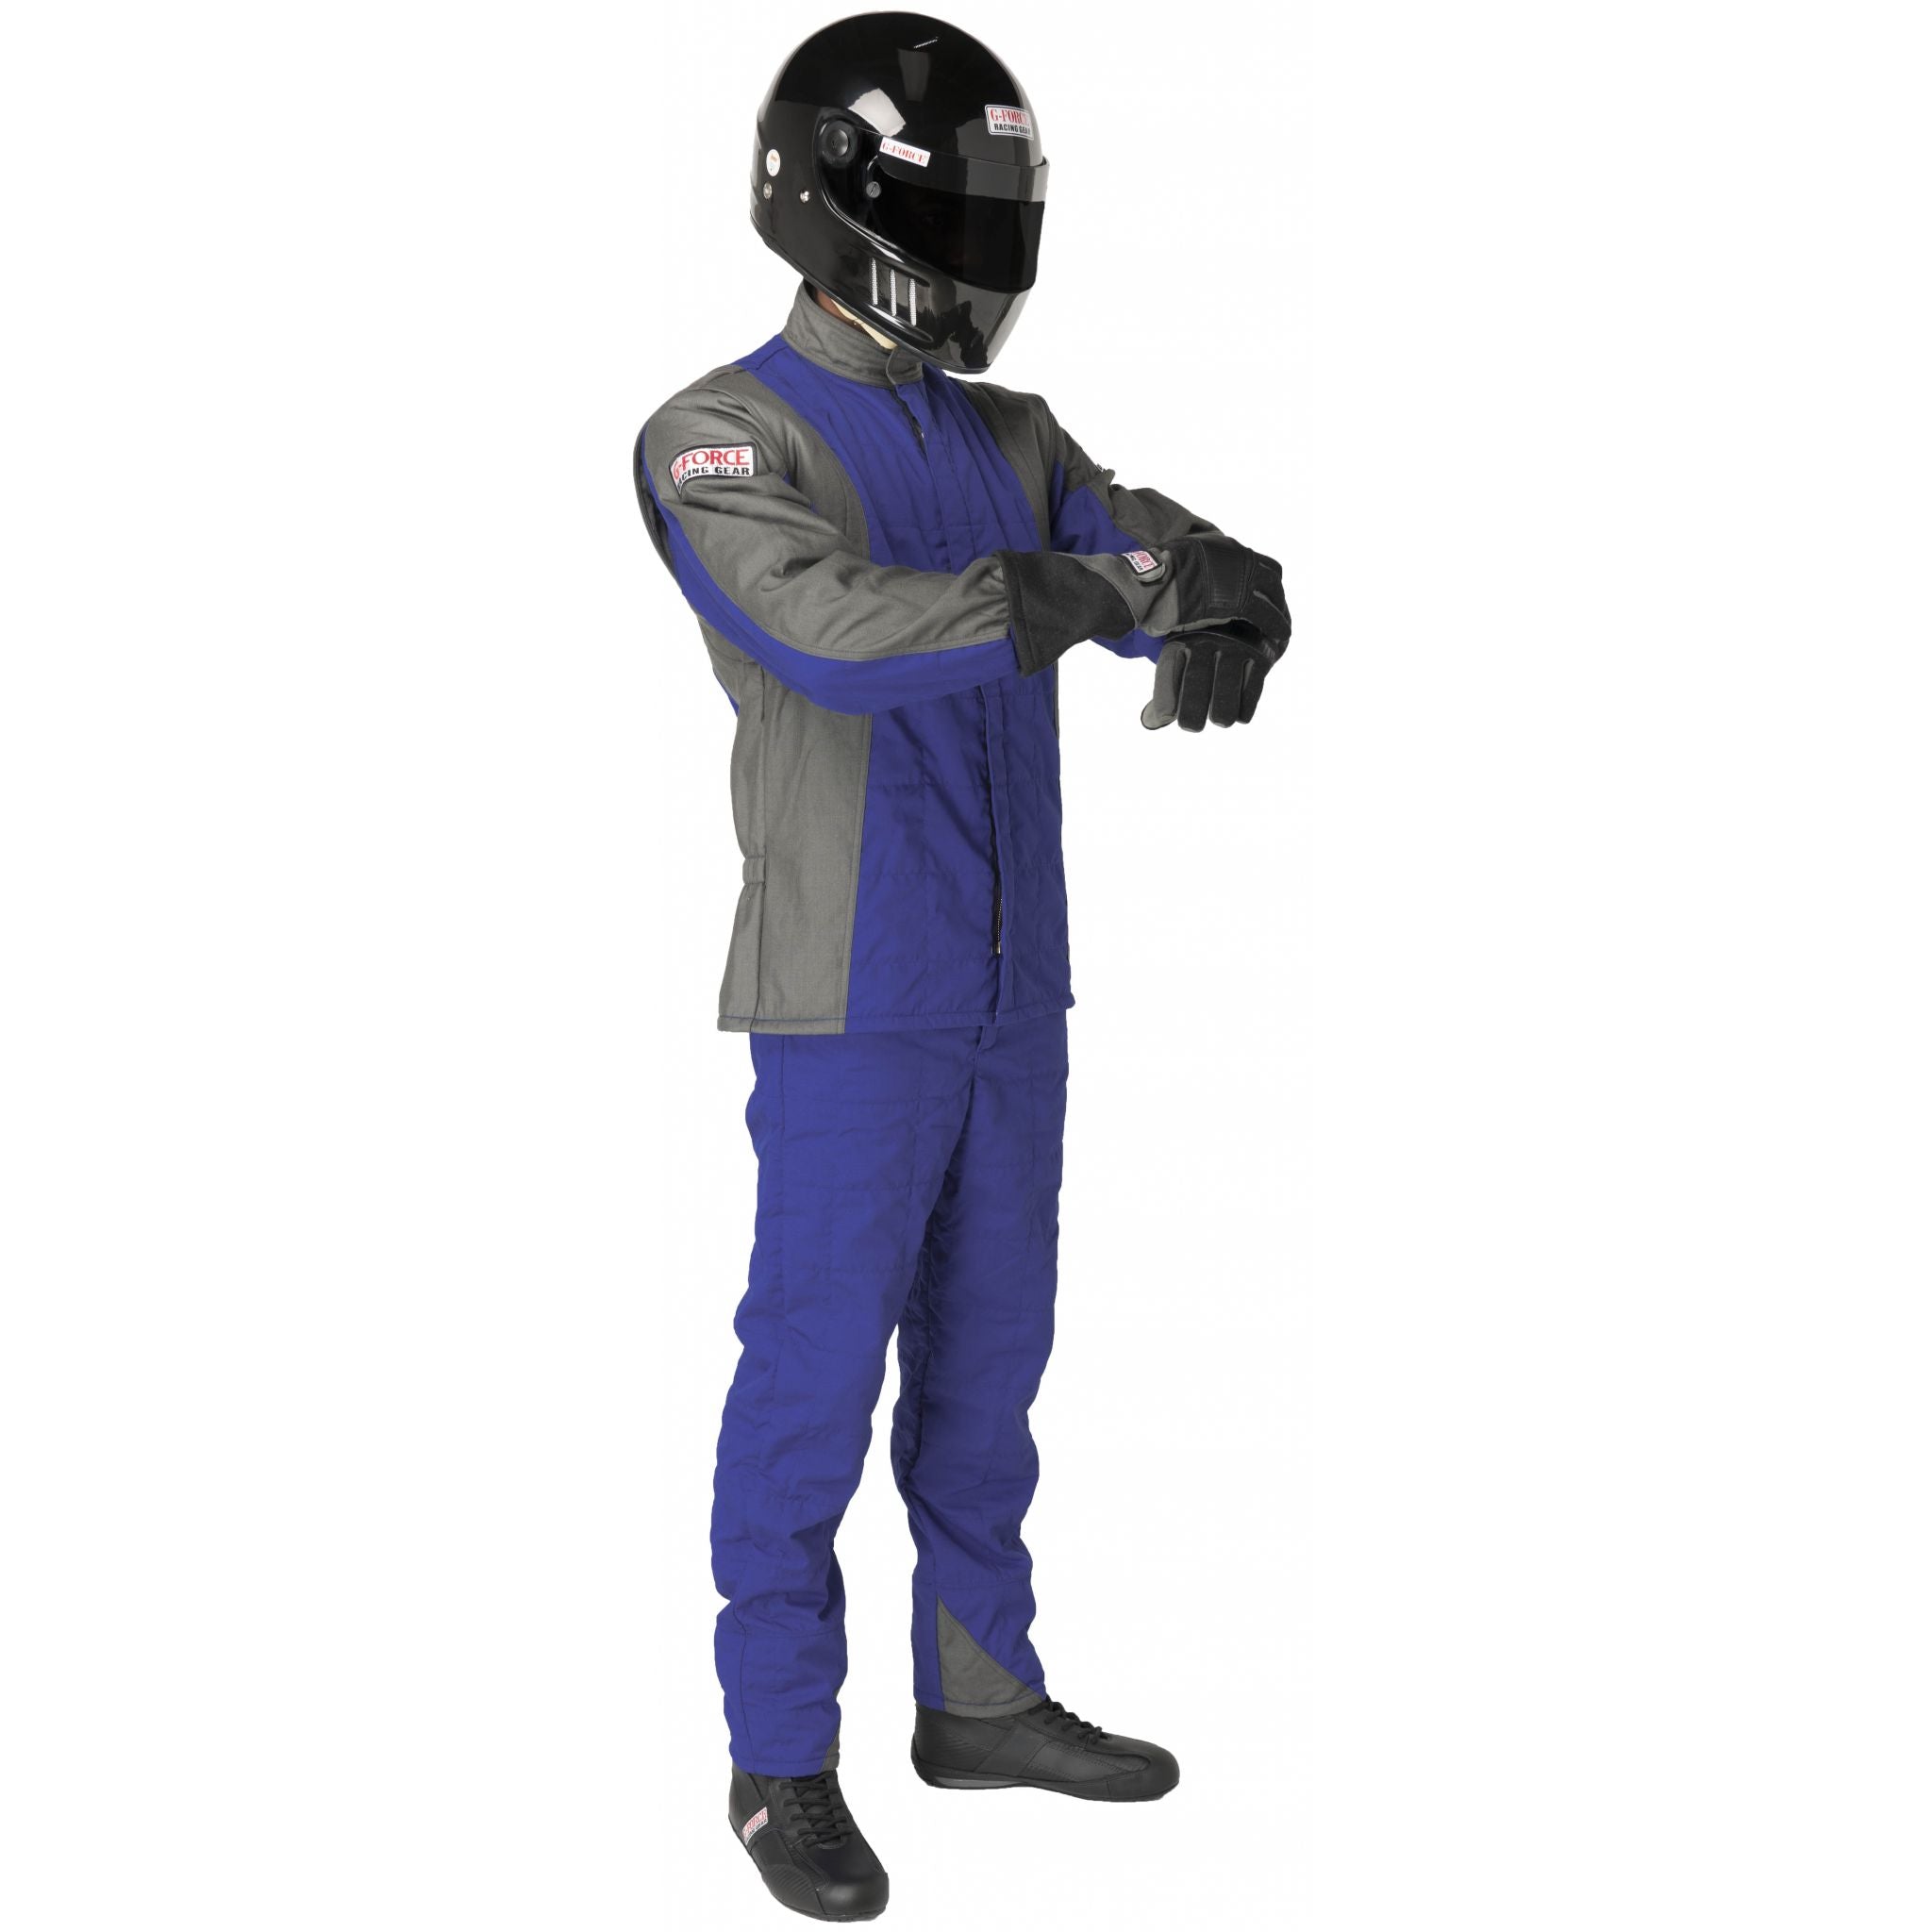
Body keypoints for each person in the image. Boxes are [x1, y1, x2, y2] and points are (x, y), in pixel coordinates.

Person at [632, 14, 1291, 1921]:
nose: (983, 244)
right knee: (813, 1376)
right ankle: (778, 1761)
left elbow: (1134, 541)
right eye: (957, 203)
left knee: (993, 1361)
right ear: (842, 206)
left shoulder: (1013, 437)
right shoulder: (724, 433)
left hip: (1013, 986)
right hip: (850, 990)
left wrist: (1222, 580)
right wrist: (1089, 592)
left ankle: (980, 1699)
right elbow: (828, 629)